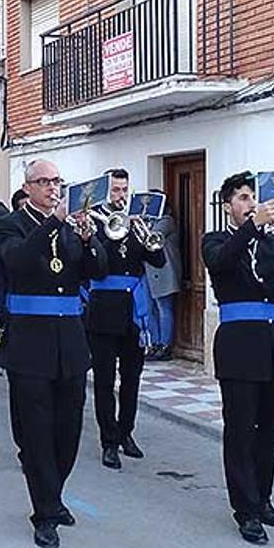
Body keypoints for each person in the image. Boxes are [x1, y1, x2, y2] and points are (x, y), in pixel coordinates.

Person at [0, 159, 107, 548]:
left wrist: (91, 240)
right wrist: (55, 223)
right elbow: (18, 262)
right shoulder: (11, 223)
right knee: (36, 433)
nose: (53, 188)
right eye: (44, 182)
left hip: (70, 341)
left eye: (57, 181)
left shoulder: (73, 227)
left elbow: (96, 271)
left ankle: (53, 494)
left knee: (68, 431)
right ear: (28, 187)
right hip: (29, 343)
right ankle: (44, 512)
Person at [203, 171, 274, 545]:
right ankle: (245, 510)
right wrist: (255, 226)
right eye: (244, 198)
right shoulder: (214, 240)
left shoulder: (272, 245)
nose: (250, 204)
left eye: (253, 197)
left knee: (272, 430)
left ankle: (262, 497)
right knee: (241, 430)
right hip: (238, 345)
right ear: (229, 204)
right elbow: (222, 262)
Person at [87, 169, 166, 470]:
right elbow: (96, 266)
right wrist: (111, 231)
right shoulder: (94, 222)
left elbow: (158, 261)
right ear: (106, 193)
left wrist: (143, 235)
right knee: (105, 381)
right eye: (116, 190)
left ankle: (126, 433)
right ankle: (108, 442)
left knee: (132, 379)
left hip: (135, 313)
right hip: (103, 310)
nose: (120, 196)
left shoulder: (137, 223)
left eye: (124, 189)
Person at [144, 210, 181, 361]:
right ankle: (154, 344)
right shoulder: (147, 220)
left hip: (164, 270)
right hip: (147, 270)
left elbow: (152, 237)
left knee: (163, 308)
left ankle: (165, 346)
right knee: (149, 308)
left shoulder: (166, 220)